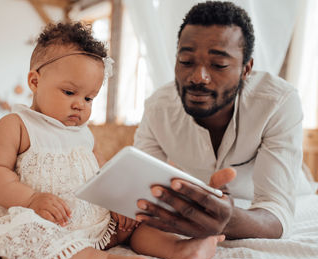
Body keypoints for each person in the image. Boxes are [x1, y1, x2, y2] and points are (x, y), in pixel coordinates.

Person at [0, 22, 224, 259]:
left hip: (94, 221)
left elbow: (103, 174)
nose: (79, 104)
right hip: (42, 217)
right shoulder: (17, 125)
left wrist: (120, 204)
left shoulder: (83, 133)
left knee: (140, 222)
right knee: (28, 233)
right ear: (35, 82)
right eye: (70, 92)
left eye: (89, 98)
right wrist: (31, 199)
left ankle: (178, 249)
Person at [134, 1, 313, 240]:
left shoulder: (278, 102)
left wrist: (229, 220)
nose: (198, 77)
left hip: (294, 195)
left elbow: (276, 212)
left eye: (218, 65)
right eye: (186, 61)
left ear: (246, 69)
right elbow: (137, 190)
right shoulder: (158, 108)